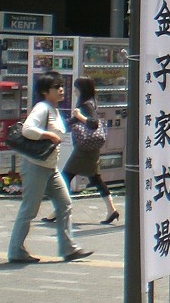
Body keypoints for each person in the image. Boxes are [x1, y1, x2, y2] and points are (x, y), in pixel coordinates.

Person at [7, 72, 94, 264]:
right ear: (46, 92)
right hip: (35, 166)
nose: (61, 90)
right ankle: (16, 251)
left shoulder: (54, 109)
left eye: (61, 86)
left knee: (65, 204)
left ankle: (68, 249)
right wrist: (48, 135)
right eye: (56, 87)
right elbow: (28, 129)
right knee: (29, 209)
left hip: (50, 167)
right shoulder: (42, 108)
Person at [58, 76, 118, 224]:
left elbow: (93, 123)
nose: (74, 90)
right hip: (89, 148)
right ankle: (111, 210)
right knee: (95, 178)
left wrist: (78, 115)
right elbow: (74, 122)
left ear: (82, 89)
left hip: (84, 150)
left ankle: (59, 210)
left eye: (76, 87)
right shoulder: (90, 102)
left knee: (65, 177)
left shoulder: (86, 105)